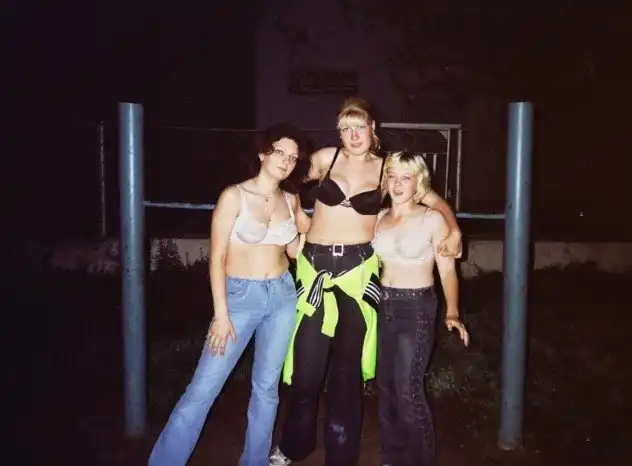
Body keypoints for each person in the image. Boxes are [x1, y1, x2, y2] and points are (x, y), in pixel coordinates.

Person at [269, 97, 463, 466]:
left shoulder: (387, 168)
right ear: (338, 132)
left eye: (360, 126)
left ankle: (342, 455)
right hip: (315, 270)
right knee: (306, 370)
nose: (353, 135)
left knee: (347, 373)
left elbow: (433, 199)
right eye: (346, 128)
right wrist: (296, 219)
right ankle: (294, 445)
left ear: (373, 127)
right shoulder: (326, 158)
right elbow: (285, 182)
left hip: (357, 275)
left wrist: (453, 230)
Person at [148, 123, 311, 466]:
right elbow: (217, 257)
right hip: (239, 299)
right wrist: (221, 315)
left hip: (282, 297)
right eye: (280, 152)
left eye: (293, 157)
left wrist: (314, 228)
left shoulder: (291, 199)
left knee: (267, 390)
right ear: (263, 153)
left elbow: (294, 251)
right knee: (203, 388)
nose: (287, 161)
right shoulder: (234, 196)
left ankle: (254, 461)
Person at [373, 151, 470, 466]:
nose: (398, 183)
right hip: (383, 304)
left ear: (419, 182)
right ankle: (391, 457)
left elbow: (448, 272)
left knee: (407, 390)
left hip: (415, 307)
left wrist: (452, 312)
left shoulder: (432, 219)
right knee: (386, 386)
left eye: (406, 177)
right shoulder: (379, 218)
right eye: (392, 176)